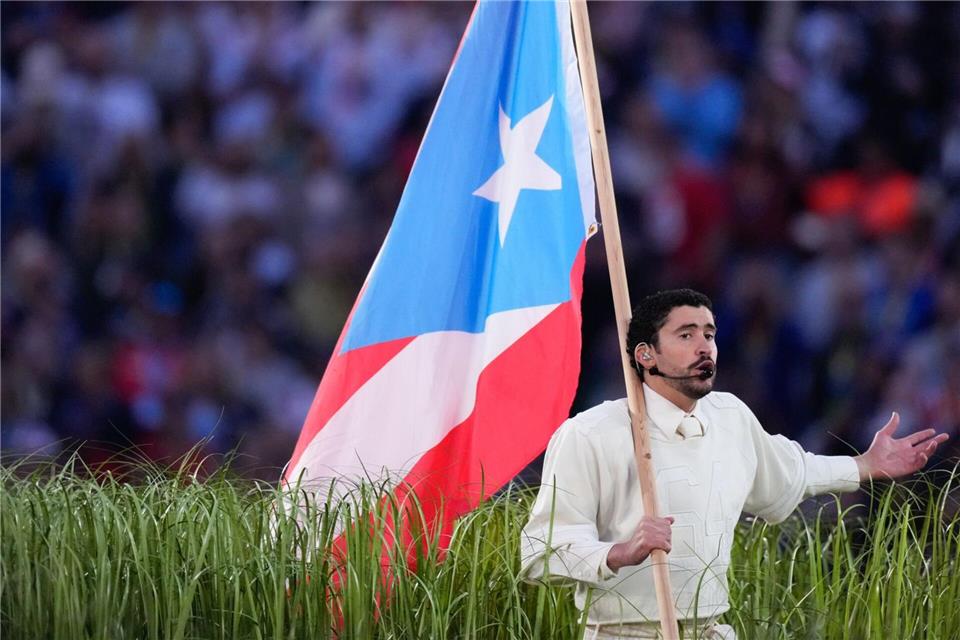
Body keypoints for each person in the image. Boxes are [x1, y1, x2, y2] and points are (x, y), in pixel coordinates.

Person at [519, 288, 948, 640]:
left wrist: (863, 466)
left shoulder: (731, 416)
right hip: (621, 634)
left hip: (712, 631)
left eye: (710, 333)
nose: (705, 346)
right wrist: (619, 552)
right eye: (686, 335)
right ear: (646, 355)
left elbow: (791, 469)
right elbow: (539, 552)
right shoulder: (589, 433)